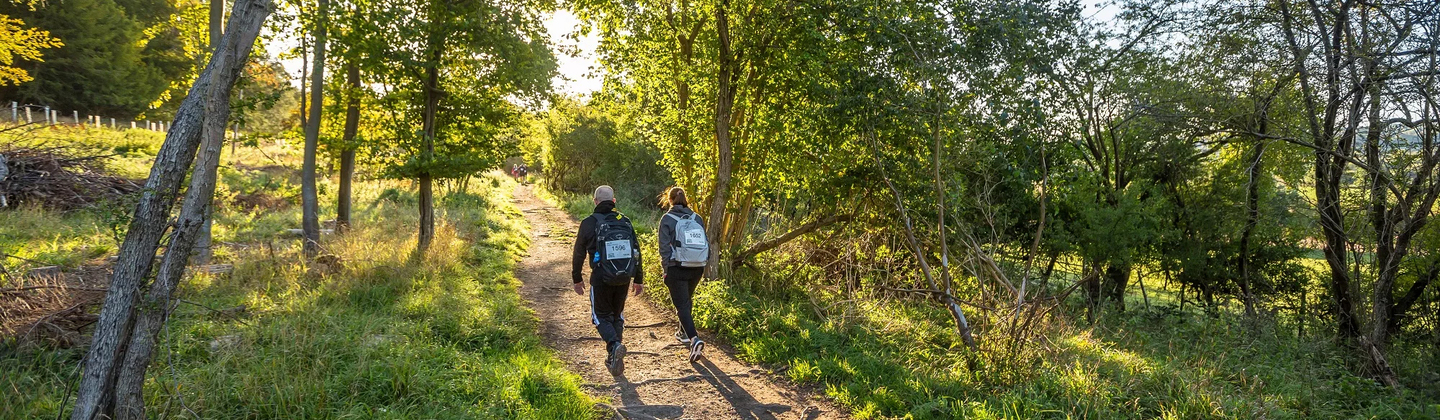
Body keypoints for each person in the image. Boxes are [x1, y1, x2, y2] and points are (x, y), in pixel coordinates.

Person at [572, 185, 644, 374]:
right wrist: (638, 278)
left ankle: (613, 346)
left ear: (595, 201)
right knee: (616, 316)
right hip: (624, 278)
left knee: (600, 317)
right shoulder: (625, 221)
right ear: (614, 202)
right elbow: (636, 251)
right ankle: (613, 357)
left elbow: (579, 252)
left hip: (601, 278)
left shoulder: (589, 222)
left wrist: (577, 278)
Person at [656, 186, 708, 361]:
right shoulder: (697, 218)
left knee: (681, 306)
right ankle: (683, 332)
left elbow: (664, 248)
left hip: (677, 266)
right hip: (697, 267)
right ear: (685, 199)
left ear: (669, 200)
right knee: (686, 300)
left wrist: (665, 270)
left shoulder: (667, 219)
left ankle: (694, 339)